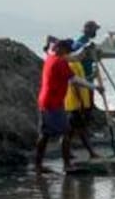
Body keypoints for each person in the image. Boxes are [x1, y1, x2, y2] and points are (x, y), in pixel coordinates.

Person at [36, 39, 95, 174]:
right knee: (66, 132)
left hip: (46, 100)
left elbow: (74, 57)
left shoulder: (51, 57)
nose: (68, 54)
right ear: (61, 49)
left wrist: (85, 49)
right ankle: (66, 165)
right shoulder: (60, 62)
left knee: (45, 134)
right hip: (53, 103)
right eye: (67, 51)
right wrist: (94, 86)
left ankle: (38, 165)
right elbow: (74, 80)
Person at [65, 52, 98, 159]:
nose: (83, 55)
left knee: (73, 130)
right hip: (75, 103)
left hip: (78, 103)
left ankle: (68, 152)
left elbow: (82, 80)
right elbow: (75, 85)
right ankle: (91, 153)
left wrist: (93, 76)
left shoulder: (78, 64)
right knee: (80, 129)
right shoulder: (72, 65)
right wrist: (82, 103)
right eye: (81, 54)